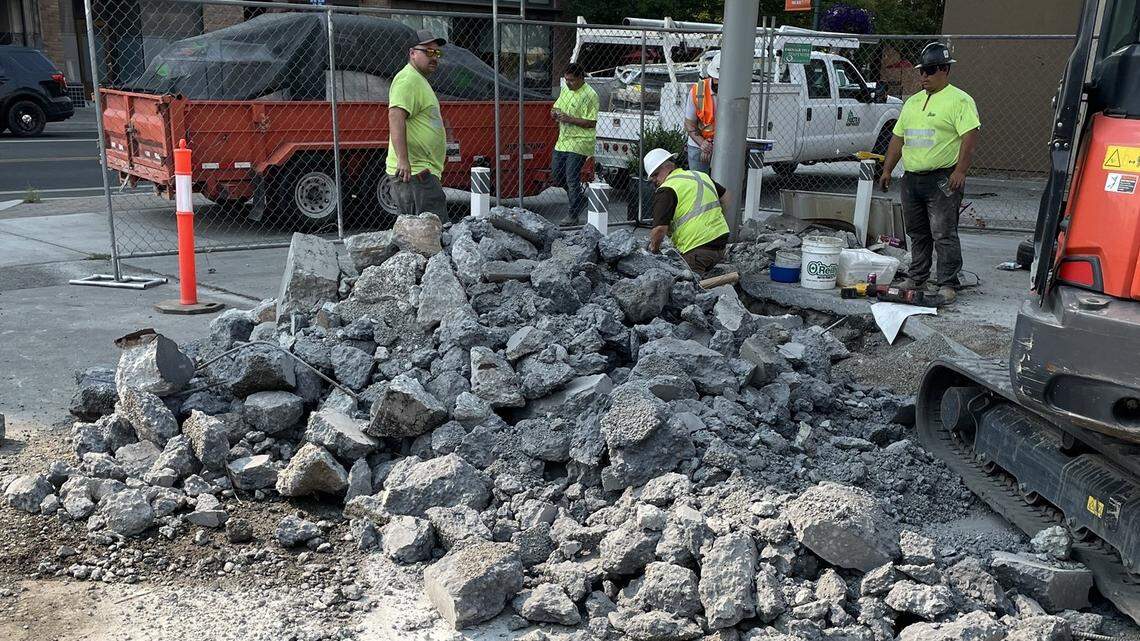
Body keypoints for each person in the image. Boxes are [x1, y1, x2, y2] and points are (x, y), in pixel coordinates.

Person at [879, 42, 980, 303]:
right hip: (912, 178)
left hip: (942, 178)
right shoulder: (912, 103)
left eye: (931, 70)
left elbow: (969, 137)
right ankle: (917, 277)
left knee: (943, 232)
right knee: (917, 231)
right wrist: (887, 169)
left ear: (945, 70)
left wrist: (960, 171)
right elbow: (898, 138)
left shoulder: (960, 100)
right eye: (922, 70)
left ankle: (947, 282)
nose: (924, 76)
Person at [387, 30, 449, 221]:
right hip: (415, 174)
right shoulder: (408, 79)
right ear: (412, 53)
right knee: (431, 230)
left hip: (421, 172)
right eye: (428, 52)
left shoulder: (418, 80)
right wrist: (403, 160)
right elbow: (395, 117)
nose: (434, 57)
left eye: (437, 53)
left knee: (422, 231)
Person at [643, 147, 731, 276]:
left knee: (688, 284)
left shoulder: (667, 189)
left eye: (655, 175)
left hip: (697, 249)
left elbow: (659, 229)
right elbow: (727, 197)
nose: (654, 181)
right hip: (721, 243)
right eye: (652, 178)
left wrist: (654, 250)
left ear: (668, 166)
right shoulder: (700, 175)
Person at [550, 63, 599, 224]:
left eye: (571, 80)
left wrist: (569, 119)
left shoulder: (590, 95)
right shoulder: (566, 89)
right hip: (563, 139)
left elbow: (591, 122)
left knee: (571, 177)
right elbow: (555, 107)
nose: (568, 83)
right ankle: (578, 198)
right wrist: (554, 113)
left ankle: (573, 215)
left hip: (580, 141)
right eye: (566, 80)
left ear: (581, 78)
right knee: (556, 175)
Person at [683, 52, 720, 174]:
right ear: (710, 76)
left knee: (724, 183)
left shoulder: (735, 93)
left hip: (724, 145)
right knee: (699, 181)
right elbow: (689, 124)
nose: (719, 84)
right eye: (717, 80)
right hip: (699, 144)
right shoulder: (698, 90)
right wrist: (703, 144)